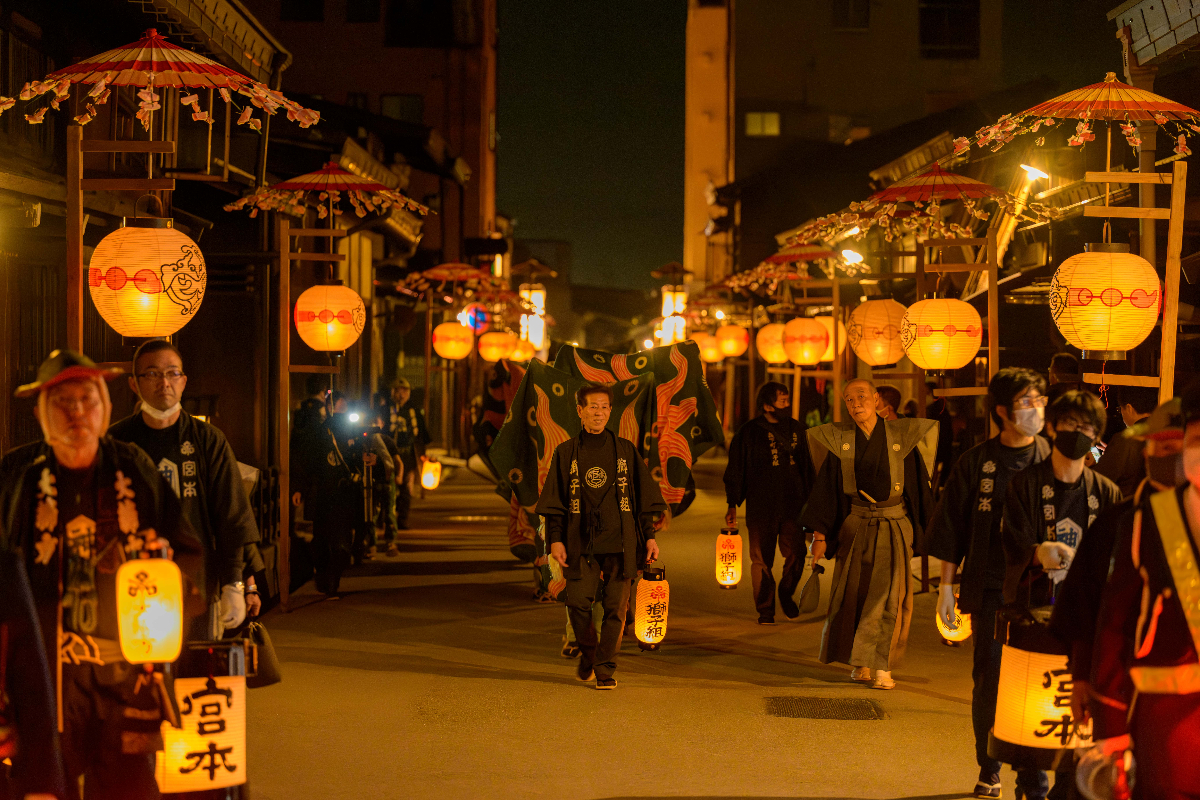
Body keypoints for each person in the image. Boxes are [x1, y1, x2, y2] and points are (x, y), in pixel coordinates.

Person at [0, 349, 203, 799]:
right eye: (62, 401)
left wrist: (165, 564)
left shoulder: (134, 468)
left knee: (127, 787)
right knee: (44, 785)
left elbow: (187, 552)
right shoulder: (16, 478)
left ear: (107, 406)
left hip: (126, 674)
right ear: (39, 413)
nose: (76, 412)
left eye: (87, 399)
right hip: (44, 677)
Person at [924, 368, 1051, 799]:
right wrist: (945, 586)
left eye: (1040, 400)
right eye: (1026, 402)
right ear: (1001, 411)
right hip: (991, 587)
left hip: (1041, 594)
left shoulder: (1054, 459)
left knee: (1039, 681)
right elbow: (952, 526)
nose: (1037, 409)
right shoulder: (976, 461)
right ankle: (990, 765)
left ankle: (1034, 777)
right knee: (990, 679)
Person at [1049, 398, 1187, 763]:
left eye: (1184, 448)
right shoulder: (1120, 521)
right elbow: (1089, 606)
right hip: (1128, 694)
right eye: (1166, 448)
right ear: (1146, 453)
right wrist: (1081, 677)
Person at [1000, 389, 1120, 800]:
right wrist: (1036, 552)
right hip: (1034, 614)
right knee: (1029, 713)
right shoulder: (1024, 484)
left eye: (1087, 429)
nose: (1077, 434)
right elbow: (1010, 540)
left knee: (1076, 715)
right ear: (1052, 427)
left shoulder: (1106, 493)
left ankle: (1069, 790)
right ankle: (1029, 788)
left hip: (1085, 623)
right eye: (1070, 425)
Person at [1088, 385, 1200, 799]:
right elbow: (1113, 624)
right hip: (1164, 726)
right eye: (1195, 442)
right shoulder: (1146, 521)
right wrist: (1112, 729)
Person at [109, 339, 257, 639]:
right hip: (133, 578)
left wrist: (235, 584)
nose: (163, 382)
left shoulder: (207, 440)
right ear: (134, 384)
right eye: (151, 374)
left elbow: (231, 516)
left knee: (195, 669)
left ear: (183, 381)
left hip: (196, 579)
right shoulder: (117, 442)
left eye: (172, 373)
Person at [801, 378, 938, 690]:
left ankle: (882, 665)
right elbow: (826, 492)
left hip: (893, 524)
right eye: (849, 400)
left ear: (877, 399)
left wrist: (931, 532)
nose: (856, 404)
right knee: (855, 596)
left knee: (889, 598)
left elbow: (919, 487)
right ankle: (860, 661)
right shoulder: (841, 441)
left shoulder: (901, 437)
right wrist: (820, 537)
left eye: (861, 396)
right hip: (856, 525)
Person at [536, 384, 666, 690]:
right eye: (593, 407)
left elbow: (641, 502)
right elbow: (555, 503)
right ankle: (590, 653)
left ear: (611, 411)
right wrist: (555, 539)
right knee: (578, 603)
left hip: (621, 542)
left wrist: (649, 537)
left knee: (615, 610)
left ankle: (605, 669)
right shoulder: (566, 452)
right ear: (580, 411)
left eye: (605, 407)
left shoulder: (625, 451)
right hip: (580, 543)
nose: (599, 413)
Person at [723, 381, 811, 623]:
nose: (786, 403)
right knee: (761, 559)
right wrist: (732, 503)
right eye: (781, 400)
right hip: (761, 507)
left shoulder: (797, 429)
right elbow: (736, 469)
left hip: (793, 504)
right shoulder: (748, 433)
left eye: (787, 399)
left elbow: (808, 467)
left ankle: (785, 592)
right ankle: (765, 608)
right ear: (766, 404)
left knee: (797, 552)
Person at [291, 393, 371, 597]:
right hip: (322, 494)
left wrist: (368, 461)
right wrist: (300, 488)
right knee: (320, 540)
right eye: (335, 406)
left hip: (344, 493)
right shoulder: (317, 432)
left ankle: (333, 579)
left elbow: (365, 458)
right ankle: (324, 576)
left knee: (342, 544)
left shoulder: (354, 431)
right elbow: (306, 462)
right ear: (327, 407)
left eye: (342, 407)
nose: (339, 411)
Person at [1092, 385, 1157, 498]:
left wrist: (1093, 463)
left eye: (1120, 409)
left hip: (1127, 508)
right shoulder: (1162, 434)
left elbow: (1098, 481)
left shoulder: (1125, 439)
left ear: (1129, 408)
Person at [388, 379, 430, 530]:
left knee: (407, 488)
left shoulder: (414, 410)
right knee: (389, 488)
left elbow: (421, 435)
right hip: (390, 455)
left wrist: (423, 454)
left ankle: (402, 519)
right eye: (398, 391)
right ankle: (386, 520)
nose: (401, 394)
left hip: (408, 455)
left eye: (405, 391)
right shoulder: (386, 409)